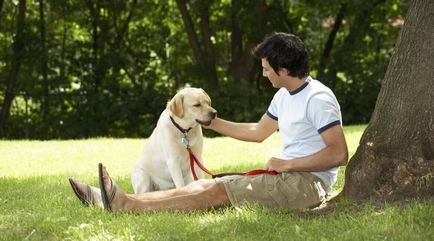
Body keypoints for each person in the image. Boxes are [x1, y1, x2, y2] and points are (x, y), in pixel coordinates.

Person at [69, 32, 348, 212]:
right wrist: (209, 121)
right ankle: (111, 197)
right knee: (200, 185)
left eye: (266, 69)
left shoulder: (318, 98)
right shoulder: (285, 96)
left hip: (308, 184)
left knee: (216, 190)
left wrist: (287, 163)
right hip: (288, 177)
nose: (264, 74)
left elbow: (339, 154)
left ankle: (127, 206)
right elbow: (258, 131)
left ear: (284, 69)